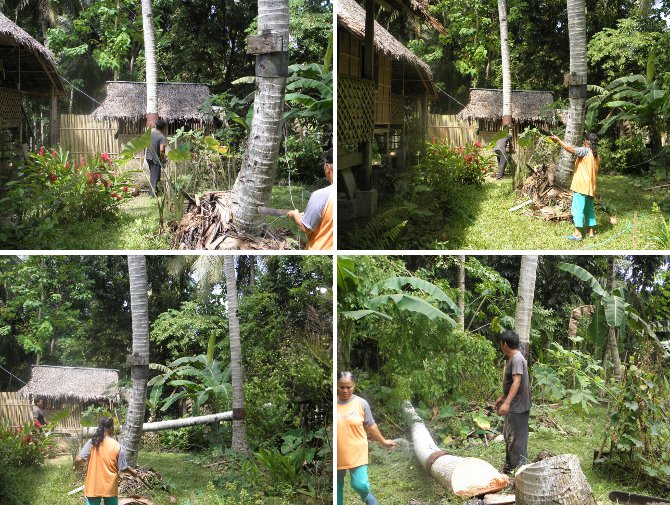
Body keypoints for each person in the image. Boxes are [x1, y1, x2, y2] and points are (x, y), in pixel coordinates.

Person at [337, 371, 397, 505]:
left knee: (360, 485)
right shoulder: (333, 405)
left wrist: (383, 441)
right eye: (341, 387)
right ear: (336, 385)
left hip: (357, 451)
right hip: (337, 454)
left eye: (349, 387)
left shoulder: (361, 403)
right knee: (337, 492)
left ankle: (371, 501)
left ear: (354, 385)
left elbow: (371, 426)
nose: (345, 390)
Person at [74, 417, 138, 505]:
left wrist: (77, 467)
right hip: (109, 486)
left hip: (93, 485)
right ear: (111, 428)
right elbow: (123, 468)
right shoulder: (116, 445)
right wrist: (133, 472)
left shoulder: (92, 442)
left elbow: (78, 459)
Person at [550, 133, 600, 241]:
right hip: (591, 187)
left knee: (577, 209)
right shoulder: (596, 155)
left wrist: (559, 141)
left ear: (587, 142)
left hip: (581, 186)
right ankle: (591, 231)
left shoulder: (585, 151)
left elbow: (571, 149)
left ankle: (577, 234)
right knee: (589, 210)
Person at [494, 330, 531, 474]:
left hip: (518, 407)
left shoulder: (516, 359)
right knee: (510, 436)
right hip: (517, 405)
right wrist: (502, 397)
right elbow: (512, 384)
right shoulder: (515, 357)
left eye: (500, 343)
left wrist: (507, 403)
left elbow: (516, 382)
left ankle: (519, 471)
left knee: (516, 439)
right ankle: (509, 467)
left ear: (504, 344)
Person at [287, 149, 333, 250]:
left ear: (328, 167)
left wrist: (295, 215)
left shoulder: (320, 195)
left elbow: (305, 228)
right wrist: (306, 217)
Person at [145, 119, 167, 196]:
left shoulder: (150, 133)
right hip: (155, 159)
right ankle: (152, 194)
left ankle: (154, 192)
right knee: (155, 176)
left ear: (156, 125)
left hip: (148, 157)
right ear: (163, 127)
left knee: (153, 175)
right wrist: (163, 159)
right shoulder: (161, 136)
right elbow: (161, 150)